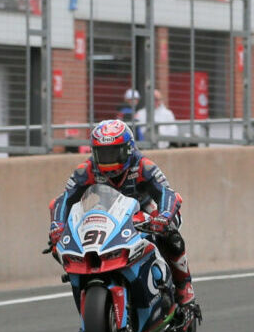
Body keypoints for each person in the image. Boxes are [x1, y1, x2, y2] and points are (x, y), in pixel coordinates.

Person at [49, 120, 194, 305]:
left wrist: (164, 216)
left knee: (171, 235)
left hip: (144, 208)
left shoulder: (143, 165)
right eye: (102, 153)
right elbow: (65, 199)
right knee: (61, 246)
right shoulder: (86, 170)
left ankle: (184, 286)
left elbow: (166, 192)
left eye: (113, 152)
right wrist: (57, 226)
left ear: (128, 149)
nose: (107, 160)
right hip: (108, 211)